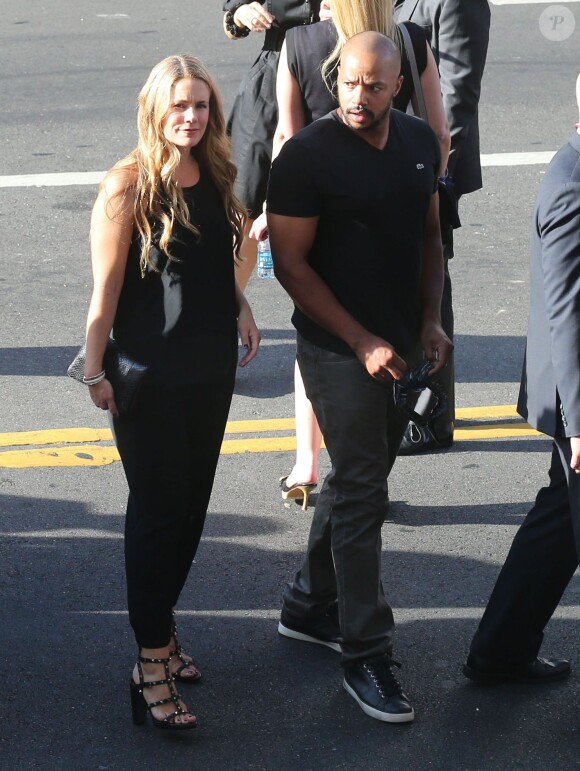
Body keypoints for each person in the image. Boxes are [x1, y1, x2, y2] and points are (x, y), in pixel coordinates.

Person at [267, 32, 452, 722]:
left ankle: (309, 605)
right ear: (335, 77)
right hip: (336, 348)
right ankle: (365, 651)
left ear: (397, 85)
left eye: (374, 86)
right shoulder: (307, 158)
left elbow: (431, 236)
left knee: (353, 480)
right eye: (349, 82)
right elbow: (290, 266)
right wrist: (361, 338)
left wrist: (430, 321)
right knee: (366, 488)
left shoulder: (416, 143)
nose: (358, 96)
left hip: (400, 342)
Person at [83, 55, 260, 730]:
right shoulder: (127, 186)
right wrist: (94, 370)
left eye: (202, 106)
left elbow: (215, 262)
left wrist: (240, 302)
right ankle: (150, 663)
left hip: (210, 371)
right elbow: (104, 293)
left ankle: (163, 630)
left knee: (189, 513)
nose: (191, 117)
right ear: (154, 108)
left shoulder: (213, 172)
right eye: (179, 106)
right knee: (159, 515)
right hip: (149, 379)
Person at [252, 0, 450, 503]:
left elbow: (286, 137)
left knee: (317, 338)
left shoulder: (298, 43)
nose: (360, 94)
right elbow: (439, 136)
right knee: (362, 373)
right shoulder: (409, 42)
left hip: (313, 218)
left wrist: (277, 210)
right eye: (352, 84)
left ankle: (307, 462)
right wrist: (415, 184)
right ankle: (356, 484)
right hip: (394, 232)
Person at [463, 76, 580, 687]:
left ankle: (499, 649)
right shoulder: (571, 185)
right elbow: (567, 311)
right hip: (577, 397)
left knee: (559, 523)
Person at [394, 0, 491, 454]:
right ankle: (406, 401)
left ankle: (434, 415)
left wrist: (430, 171)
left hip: (430, 168)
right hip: (395, 161)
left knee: (432, 285)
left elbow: (458, 95)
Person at [222, 0, 326, 289]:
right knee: (243, 206)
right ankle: (225, 311)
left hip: (340, 82)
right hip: (272, 86)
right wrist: (242, 15)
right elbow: (232, 19)